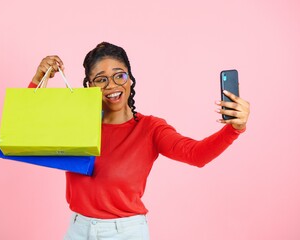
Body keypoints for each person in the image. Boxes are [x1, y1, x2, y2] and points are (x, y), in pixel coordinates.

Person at [29, 42, 250, 240]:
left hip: (125, 232)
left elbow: (196, 154)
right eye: (100, 79)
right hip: (77, 228)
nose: (112, 85)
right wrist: (39, 80)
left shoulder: (150, 129)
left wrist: (234, 128)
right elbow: (28, 133)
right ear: (89, 85)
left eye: (119, 75)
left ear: (130, 79)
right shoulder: (77, 124)